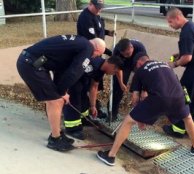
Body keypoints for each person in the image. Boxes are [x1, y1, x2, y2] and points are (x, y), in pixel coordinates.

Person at [96, 53, 194, 166]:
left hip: (159, 98)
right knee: (187, 117)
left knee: (128, 121)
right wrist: (142, 118)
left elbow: (136, 98)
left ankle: (110, 155)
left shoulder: (140, 71)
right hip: (178, 96)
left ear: (139, 63)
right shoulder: (165, 65)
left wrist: (138, 117)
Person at [16, 35, 105, 152]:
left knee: (54, 98)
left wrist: (61, 90)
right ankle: (55, 139)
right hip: (31, 64)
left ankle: (57, 133)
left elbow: (62, 70)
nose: (95, 57)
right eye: (98, 55)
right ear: (97, 50)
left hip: (34, 61)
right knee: (56, 100)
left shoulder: (80, 42)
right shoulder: (88, 48)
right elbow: (75, 72)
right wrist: (62, 92)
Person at [64, 0, 114, 138]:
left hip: (95, 53)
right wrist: (108, 52)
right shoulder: (85, 18)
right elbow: (92, 40)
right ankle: (73, 127)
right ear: (90, 4)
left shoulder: (96, 16)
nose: (99, 10)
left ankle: (85, 116)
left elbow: (99, 30)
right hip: (87, 54)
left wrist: (108, 32)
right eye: (97, 7)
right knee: (77, 89)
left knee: (87, 86)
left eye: (101, 8)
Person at [163, 8, 194, 138]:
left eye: (170, 22)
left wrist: (173, 64)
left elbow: (187, 58)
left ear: (178, 17)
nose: (170, 25)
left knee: (181, 97)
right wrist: (180, 54)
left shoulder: (186, 32)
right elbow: (193, 49)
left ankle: (178, 129)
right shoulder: (193, 26)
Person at [111, 38, 147, 121]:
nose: (125, 56)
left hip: (137, 65)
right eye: (123, 54)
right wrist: (121, 83)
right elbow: (117, 68)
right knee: (117, 88)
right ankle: (113, 112)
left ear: (131, 47)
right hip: (123, 66)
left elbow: (144, 68)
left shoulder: (140, 48)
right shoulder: (117, 50)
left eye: (127, 54)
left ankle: (139, 114)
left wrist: (142, 88)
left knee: (139, 89)